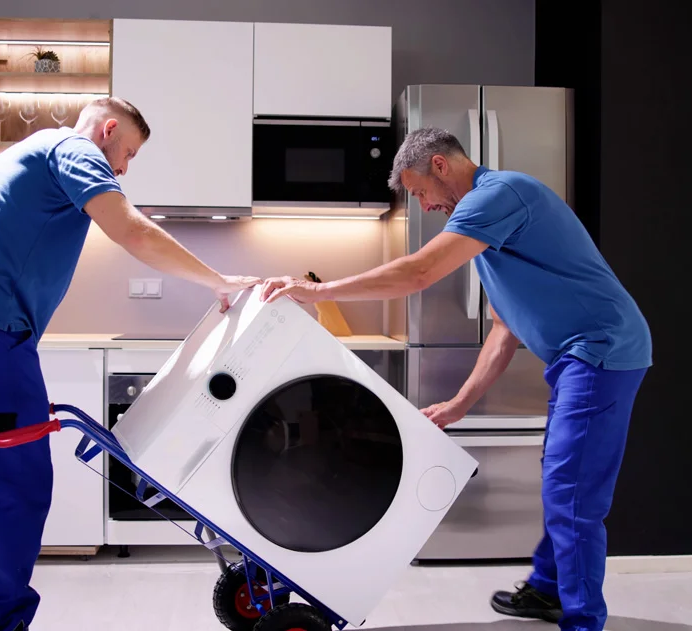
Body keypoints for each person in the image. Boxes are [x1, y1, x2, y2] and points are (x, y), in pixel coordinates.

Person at [259, 127, 651, 631]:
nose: (423, 205)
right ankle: (550, 590)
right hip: (580, 358)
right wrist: (461, 403)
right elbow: (504, 329)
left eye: (420, 191)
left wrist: (320, 292)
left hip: (600, 351)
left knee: (572, 490)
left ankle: (582, 621)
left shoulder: (499, 195)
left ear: (441, 166)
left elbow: (418, 273)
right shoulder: (487, 234)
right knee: (564, 479)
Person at [0, 96, 260, 631]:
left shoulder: (16, 154)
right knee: (19, 485)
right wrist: (221, 282)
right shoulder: (74, 149)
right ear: (108, 129)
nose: (123, 167)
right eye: (129, 152)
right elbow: (132, 230)